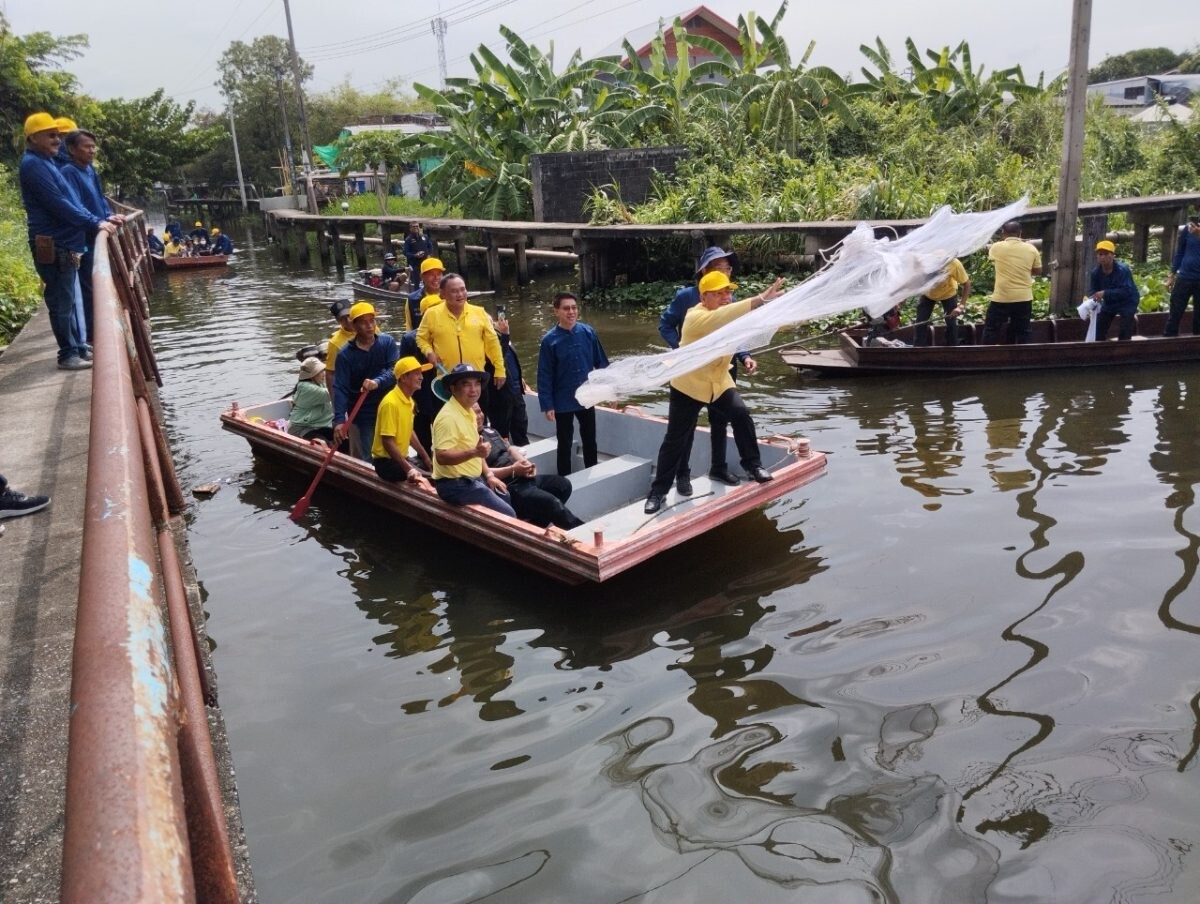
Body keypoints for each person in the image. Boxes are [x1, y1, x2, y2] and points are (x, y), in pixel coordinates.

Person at [644, 271, 785, 515]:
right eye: (719, 293)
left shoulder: (730, 315)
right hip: (688, 384)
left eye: (728, 292)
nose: (725, 297)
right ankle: (658, 492)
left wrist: (786, 308)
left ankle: (753, 466)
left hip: (719, 381)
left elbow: (750, 323)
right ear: (703, 297)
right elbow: (724, 316)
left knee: (741, 414)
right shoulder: (695, 317)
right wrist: (760, 299)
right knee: (675, 439)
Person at [18, 112, 119, 370]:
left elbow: (72, 200)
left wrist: (95, 219)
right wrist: (94, 222)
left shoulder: (48, 162)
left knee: (71, 298)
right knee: (61, 300)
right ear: (33, 137)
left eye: (58, 136)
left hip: (67, 242)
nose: (57, 140)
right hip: (53, 243)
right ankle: (67, 354)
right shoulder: (33, 165)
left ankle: (78, 347)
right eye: (51, 135)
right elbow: (59, 204)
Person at [658, 246, 756, 493]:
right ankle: (682, 475)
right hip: (691, 371)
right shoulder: (687, 298)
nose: (725, 272)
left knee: (723, 419)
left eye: (727, 268)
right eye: (718, 268)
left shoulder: (729, 298)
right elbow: (666, 325)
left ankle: (719, 467)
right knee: (684, 428)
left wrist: (744, 356)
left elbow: (737, 330)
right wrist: (681, 351)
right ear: (704, 272)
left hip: (722, 369)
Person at [60, 129, 124, 344]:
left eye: (93, 146)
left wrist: (109, 216)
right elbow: (75, 205)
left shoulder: (90, 171)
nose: (92, 150)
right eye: (86, 146)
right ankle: (90, 337)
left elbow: (98, 199)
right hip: (84, 237)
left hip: (96, 233)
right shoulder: (69, 172)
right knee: (88, 286)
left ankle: (98, 332)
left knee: (96, 282)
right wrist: (96, 222)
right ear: (71, 149)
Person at [475, 404, 584, 529]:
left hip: (524, 477)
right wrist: (513, 470)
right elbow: (482, 473)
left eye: (479, 412)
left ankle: (536, 526)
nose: (478, 416)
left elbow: (509, 449)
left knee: (563, 485)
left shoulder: (491, 431)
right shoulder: (472, 442)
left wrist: (526, 463)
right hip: (510, 486)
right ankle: (581, 532)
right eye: (473, 414)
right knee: (552, 503)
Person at [537, 292, 609, 475]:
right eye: (566, 308)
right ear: (556, 311)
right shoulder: (549, 340)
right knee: (565, 442)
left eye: (574, 308)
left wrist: (610, 391)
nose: (571, 312)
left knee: (590, 439)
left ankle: (591, 473)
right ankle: (564, 478)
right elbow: (544, 375)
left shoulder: (588, 332)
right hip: (562, 400)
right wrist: (547, 404)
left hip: (586, 396)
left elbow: (601, 364)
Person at [431, 364, 516, 517]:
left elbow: (476, 450)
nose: (474, 389)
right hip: (454, 485)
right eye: (466, 384)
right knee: (508, 515)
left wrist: (489, 475)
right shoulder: (448, 418)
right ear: (453, 388)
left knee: (504, 494)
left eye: (477, 384)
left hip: (472, 479)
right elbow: (441, 457)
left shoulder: (469, 410)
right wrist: (474, 452)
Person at [416, 272, 506, 415]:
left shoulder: (479, 312)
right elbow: (421, 337)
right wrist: (429, 352)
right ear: (443, 293)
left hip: (475, 380)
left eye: (462, 289)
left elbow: (492, 343)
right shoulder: (432, 314)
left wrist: (500, 368)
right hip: (447, 379)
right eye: (454, 291)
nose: (460, 294)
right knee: (451, 423)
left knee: (478, 422)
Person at [332, 302, 399, 461]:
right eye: (364, 322)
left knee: (394, 449)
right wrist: (339, 420)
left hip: (388, 405)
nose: (370, 326)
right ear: (354, 326)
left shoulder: (387, 343)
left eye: (372, 321)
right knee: (368, 456)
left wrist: (377, 382)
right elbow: (340, 388)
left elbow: (395, 370)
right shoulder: (345, 355)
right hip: (362, 411)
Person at [372, 356, 434, 489]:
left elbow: (410, 432)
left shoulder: (409, 401)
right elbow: (387, 441)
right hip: (386, 463)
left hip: (400, 459)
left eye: (421, 373)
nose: (421, 377)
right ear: (403, 378)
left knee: (433, 469)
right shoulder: (390, 403)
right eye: (416, 374)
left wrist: (426, 457)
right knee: (431, 477)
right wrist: (408, 469)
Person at [982, 220, 1041, 345]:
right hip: (1023, 298)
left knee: (991, 329)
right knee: (1023, 331)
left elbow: (993, 261)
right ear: (1020, 233)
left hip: (1001, 297)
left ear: (1003, 233)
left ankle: (986, 356)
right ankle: (1022, 359)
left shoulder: (996, 247)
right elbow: (1037, 270)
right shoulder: (1031, 249)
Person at [1088, 240, 1140, 341]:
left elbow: (1126, 291)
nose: (1102, 257)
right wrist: (1091, 302)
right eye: (1100, 254)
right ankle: (1100, 350)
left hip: (1128, 301)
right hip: (1110, 302)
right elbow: (1093, 291)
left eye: (1106, 254)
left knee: (1125, 329)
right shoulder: (1095, 273)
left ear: (1112, 255)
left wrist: (1105, 293)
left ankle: (1124, 350)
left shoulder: (1123, 270)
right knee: (1099, 328)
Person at [490, 313, 530, 445]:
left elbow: (510, 359)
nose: (493, 323)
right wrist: (506, 335)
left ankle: (524, 450)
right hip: (501, 393)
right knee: (502, 431)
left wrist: (519, 377)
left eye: (492, 320)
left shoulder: (501, 336)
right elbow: (498, 357)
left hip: (515, 389)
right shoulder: (490, 341)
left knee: (520, 424)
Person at [913, 258, 969, 347]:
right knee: (920, 322)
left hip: (948, 293)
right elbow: (912, 280)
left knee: (951, 323)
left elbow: (966, 283)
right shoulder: (923, 260)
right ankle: (918, 349)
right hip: (928, 294)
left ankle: (953, 349)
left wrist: (961, 306)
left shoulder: (953, 263)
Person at [1164, 215, 1200, 337]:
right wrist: (1172, 274)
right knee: (1175, 311)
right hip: (1184, 276)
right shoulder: (1188, 229)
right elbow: (1180, 252)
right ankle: (1168, 340)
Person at [288, 357, 335, 443]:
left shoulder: (319, 383)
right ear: (312, 375)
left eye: (323, 370)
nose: (323, 374)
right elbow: (332, 393)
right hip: (302, 429)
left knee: (344, 441)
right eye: (320, 371)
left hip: (320, 426)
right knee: (326, 446)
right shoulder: (306, 388)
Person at [406, 257, 445, 332]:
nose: (436, 278)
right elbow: (409, 327)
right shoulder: (412, 299)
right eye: (431, 274)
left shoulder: (450, 296)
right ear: (422, 276)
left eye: (439, 274)